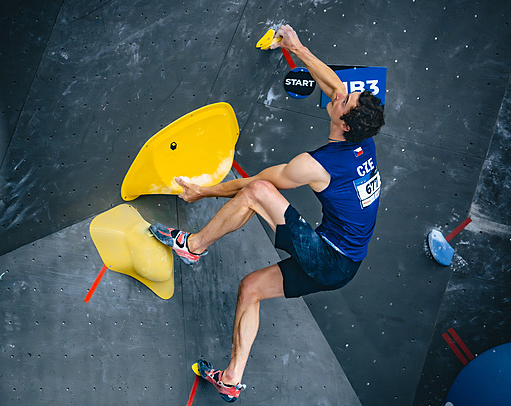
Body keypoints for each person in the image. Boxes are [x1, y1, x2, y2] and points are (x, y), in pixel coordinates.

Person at [150, 24, 385, 402]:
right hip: (346, 266)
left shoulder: (318, 165)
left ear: (342, 123)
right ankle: (230, 378)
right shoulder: (363, 137)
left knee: (259, 190)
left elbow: (255, 184)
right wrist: (298, 47)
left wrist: (204, 190)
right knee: (251, 288)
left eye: (344, 100)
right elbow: (335, 87)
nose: (340, 93)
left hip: (328, 258)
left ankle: (192, 246)